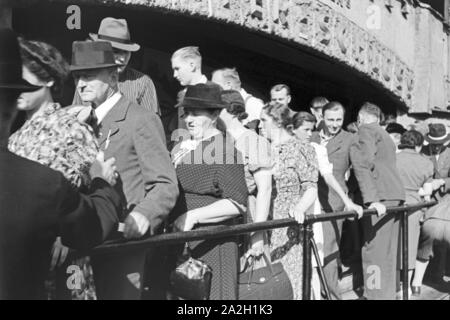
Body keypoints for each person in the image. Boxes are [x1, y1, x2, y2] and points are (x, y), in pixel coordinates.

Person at [0, 28, 121, 300]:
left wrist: (64, 231)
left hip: (65, 266)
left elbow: (93, 192)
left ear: (49, 81)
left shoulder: (72, 129)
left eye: (24, 79)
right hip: (25, 263)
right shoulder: (16, 134)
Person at [71, 40, 179, 299]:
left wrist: (143, 215)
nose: (80, 84)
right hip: (80, 246)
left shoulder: (140, 119)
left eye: (88, 76)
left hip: (121, 247)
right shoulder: (78, 120)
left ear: (111, 76)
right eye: (77, 77)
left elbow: (165, 184)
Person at [169, 83, 248, 300]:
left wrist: (192, 216)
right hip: (188, 244)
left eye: (196, 114)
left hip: (214, 243)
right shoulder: (186, 146)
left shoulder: (223, 149)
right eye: (187, 114)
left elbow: (237, 203)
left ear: (214, 114)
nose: (189, 119)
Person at [293, 109, 363, 300]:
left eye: (339, 119)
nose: (334, 124)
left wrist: (352, 198)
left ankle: (331, 295)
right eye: (330, 119)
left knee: (329, 253)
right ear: (322, 118)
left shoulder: (350, 139)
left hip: (332, 202)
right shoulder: (309, 133)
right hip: (303, 200)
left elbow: (360, 170)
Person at [259, 102, 318, 299]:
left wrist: (300, 208)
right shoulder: (263, 148)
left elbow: (310, 187)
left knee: (292, 280)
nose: (260, 125)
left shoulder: (301, 148)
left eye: (263, 120)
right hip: (265, 223)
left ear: (277, 122)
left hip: (289, 226)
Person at [350, 102, 405, 300]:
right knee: (388, 251)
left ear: (359, 118)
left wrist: (371, 199)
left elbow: (363, 164)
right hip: (394, 195)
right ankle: (387, 294)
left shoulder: (364, 132)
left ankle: (374, 295)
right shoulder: (385, 136)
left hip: (379, 198)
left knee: (373, 251)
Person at [219, 90, 273, 258]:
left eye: (216, 110)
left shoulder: (254, 141)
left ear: (232, 111)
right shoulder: (218, 140)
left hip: (246, 214)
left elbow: (265, 189)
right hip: (220, 214)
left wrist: (256, 233)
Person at [72, 17, 160, 115]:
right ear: (100, 51)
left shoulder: (143, 83)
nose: (122, 59)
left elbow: (151, 125)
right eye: (115, 52)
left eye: (126, 52)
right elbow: (74, 120)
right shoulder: (84, 80)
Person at [411, 123, 450, 295]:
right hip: (427, 204)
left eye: (440, 144)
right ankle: (419, 282)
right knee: (425, 241)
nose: (436, 147)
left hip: (447, 202)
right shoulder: (423, 154)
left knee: (443, 243)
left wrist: (442, 182)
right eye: (433, 144)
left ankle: (439, 274)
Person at [396, 130, 434, 297]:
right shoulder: (426, 163)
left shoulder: (392, 158)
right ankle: (406, 287)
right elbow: (427, 192)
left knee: (392, 245)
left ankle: (393, 285)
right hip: (413, 208)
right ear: (418, 146)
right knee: (409, 247)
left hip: (391, 205)